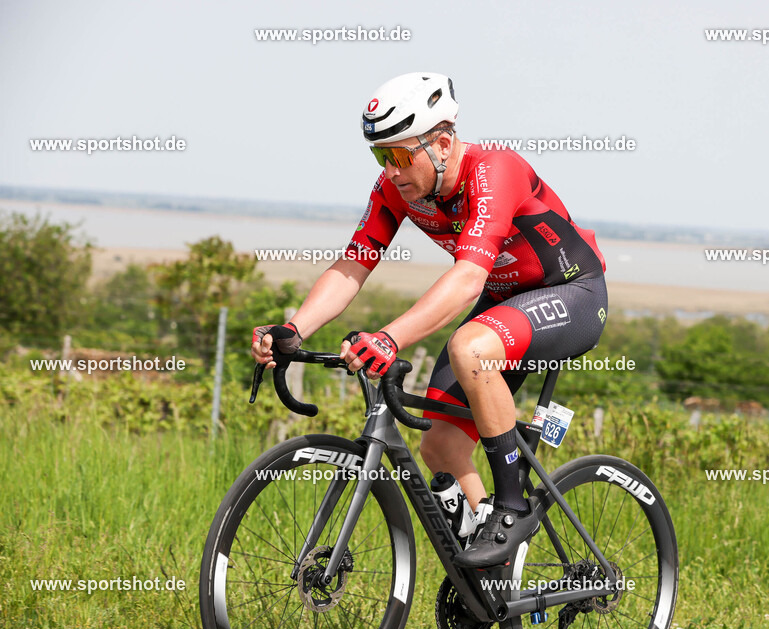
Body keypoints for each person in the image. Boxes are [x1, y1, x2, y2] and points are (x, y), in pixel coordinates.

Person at [252, 70, 607, 575]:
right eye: (381, 156)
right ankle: (493, 588)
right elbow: (354, 263)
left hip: (571, 292)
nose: (391, 170)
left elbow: (466, 279)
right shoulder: (399, 188)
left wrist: (389, 338)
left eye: (399, 155)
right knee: (439, 444)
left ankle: (511, 509)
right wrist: (294, 328)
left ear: (442, 143)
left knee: (470, 348)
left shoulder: (495, 170)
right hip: (505, 301)